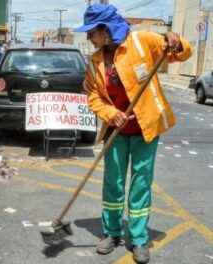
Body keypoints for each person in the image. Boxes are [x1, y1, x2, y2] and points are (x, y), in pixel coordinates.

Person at [75, 4, 192, 264]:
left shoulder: (142, 41)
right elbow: (93, 97)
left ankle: (138, 238)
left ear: (105, 31)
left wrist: (176, 41)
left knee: (141, 184)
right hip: (115, 131)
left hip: (145, 129)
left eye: (91, 32)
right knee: (113, 183)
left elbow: (182, 54)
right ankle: (111, 233)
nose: (88, 38)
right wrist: (110, 113)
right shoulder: (94, 62)